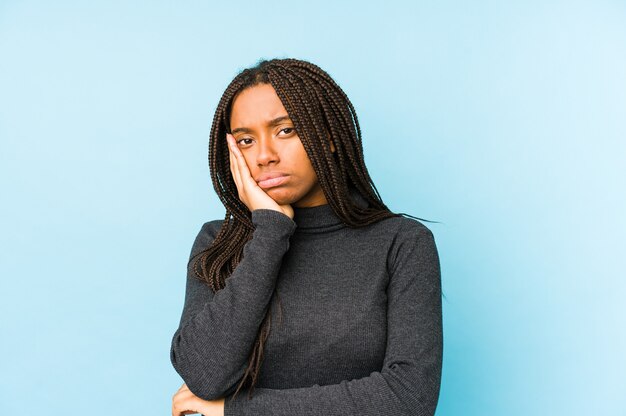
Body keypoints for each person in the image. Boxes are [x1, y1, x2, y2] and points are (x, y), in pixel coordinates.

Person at [170, 58, 443, 416]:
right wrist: (269, 230)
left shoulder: (402, 243)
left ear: (327, 136)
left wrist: (236, 411)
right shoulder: (217, 243)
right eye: (247, 140)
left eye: (285, 130)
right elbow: (205, 376)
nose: (265, 156)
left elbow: (408, 398)